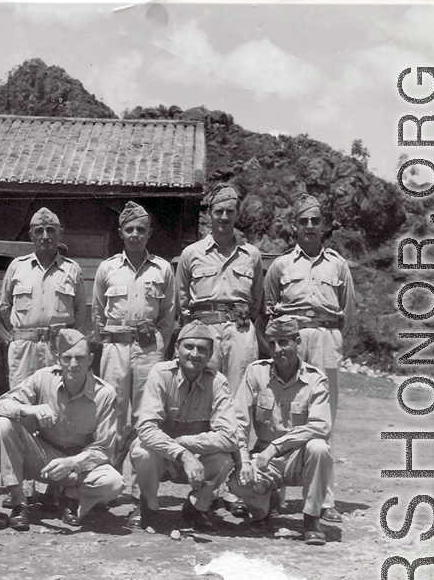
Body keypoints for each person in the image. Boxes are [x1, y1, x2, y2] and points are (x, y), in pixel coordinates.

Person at [263, 193, 355, 524]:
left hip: (327, 340)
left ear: (324, 225)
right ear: (294, 226)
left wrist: (338, 342)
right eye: (304, 221)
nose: (310, 226)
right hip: (293, 340)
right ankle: (273, 491)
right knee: (285, 415)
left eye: (316, 220)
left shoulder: (338, 265)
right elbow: (269, 308)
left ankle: (323, 500)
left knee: (322, 420)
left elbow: (350, 312)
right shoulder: (281, 265)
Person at [175, 183, 264, 518]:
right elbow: (182, 302)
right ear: (209, 215)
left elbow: (256, 302)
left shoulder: (251, 255)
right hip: (203, 331)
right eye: (218, 211)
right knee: (204, 403)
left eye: (230, 212)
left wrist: (240, 320)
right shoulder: (192, 254)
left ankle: (236, 484)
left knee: (241, 404)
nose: (224, 217)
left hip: (240, 332)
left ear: (237, 215)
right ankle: (203, 486)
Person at [0, 206, 87, 508]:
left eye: (52, 230)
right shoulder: (17, 267)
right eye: (39, 230)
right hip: (23, 349)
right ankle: (20, 489)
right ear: (31, 235)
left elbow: (80, 317)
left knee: (56, 412)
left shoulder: (72, 271)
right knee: (21, 411)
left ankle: (52, 487)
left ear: (61, 234)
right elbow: (1, 309)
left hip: (56, 351)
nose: (46, 236)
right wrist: (6, 341)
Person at [0, 329, 123, 531]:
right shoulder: (42, 378)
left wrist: (72, 463)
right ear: (57, 359)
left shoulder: (105, 394)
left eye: (80, 358)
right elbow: (0, 405)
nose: (73, 364)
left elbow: (104, 448)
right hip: (42, 458)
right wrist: (27, 409)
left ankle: (69, 498)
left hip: (77, 464)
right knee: (4, 424)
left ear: (90, 359)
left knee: (113, 483)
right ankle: (19, 503)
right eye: (67, 358)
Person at [226, 317, 334, 546]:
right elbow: (239, 421)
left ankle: (312, 519)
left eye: (283, 342)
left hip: (298, 455)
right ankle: (264, 509)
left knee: (320, 448)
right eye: (272, 343)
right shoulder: (256, 373)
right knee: (236, 480)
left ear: (297, 342)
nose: (277, 349)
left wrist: (278, 446)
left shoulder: (315, 379)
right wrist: (243, 461)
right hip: (265, 456)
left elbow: (321, 425)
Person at [128, 321, 238, 533]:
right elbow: (147, 429)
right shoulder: (161, 374)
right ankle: (148, 505)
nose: (195, 354)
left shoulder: (218, 382)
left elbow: (230, 437)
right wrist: (182, 454)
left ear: (210, 354)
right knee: (141, 450)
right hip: (164, 458)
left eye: (202, 349)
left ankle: (197, 507)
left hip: (197, 461)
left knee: (224, 460)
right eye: (189, 347)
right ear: (177, 349)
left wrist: (187, 445)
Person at [91, 201, 174, 475]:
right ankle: (108, 476)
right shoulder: (108, 269)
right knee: (112, 410)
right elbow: (97, 315)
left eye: (141, 229)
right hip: (115, 347)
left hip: (149, 348)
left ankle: (142, 478)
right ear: (120, 232)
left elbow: (168, 315)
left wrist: (158, 345)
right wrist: (109, 342)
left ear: (149, 233)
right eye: (130, 229)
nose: (135, 234)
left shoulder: (162, 269)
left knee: (146, 413)